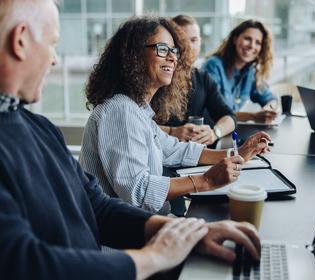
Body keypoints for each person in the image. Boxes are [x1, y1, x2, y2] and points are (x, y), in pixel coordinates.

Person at [0, 1, 263, 279]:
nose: (55, 59)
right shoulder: (119, 111)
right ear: (20, 41)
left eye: (174, 51)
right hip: (111, 260)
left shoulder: (38, 126)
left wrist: (188, 232)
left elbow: (96, 205)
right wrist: (154, 256)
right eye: (53, 43)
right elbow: (23, 263)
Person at [79, 16, 271, 214]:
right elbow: (138, 191)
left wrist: (239, 153)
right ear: (133, 55)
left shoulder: (137, 109)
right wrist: (206, 180)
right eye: (162, 49)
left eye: (174, 51)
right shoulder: (120, 111)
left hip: (144, 227)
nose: (172, 57)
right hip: (123, 241)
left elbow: (175, 150)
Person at [158, 15, 236, 146]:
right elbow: (138, 123)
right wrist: (172, 132)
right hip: (162, 156)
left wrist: (215, 132)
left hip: (195, 157)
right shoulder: (158, 76)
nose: (188, 46)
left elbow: (229, 117)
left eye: (193, 40)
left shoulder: (203, 78)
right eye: (181, 41)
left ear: (200, 42)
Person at [202, 19, 278, 123]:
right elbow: (217, 112)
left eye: (258, 42)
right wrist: (253, 116)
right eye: (247, 39)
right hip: (210, 132)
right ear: (235, 39)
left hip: (230, 130)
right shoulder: (213, 66)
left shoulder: (250, 71)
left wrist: (268, 110)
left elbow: (270, 98)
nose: (252, 46)